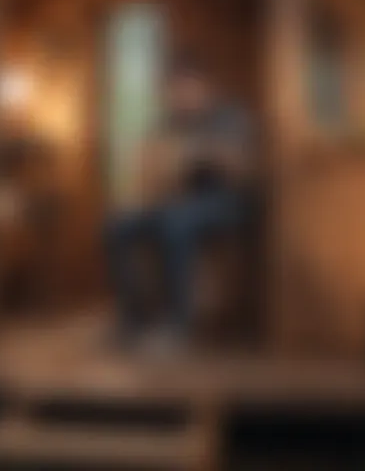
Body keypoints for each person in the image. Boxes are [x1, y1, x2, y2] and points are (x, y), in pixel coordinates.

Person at [104, 52, 256, 349]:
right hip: (180, 203)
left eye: (186, 87)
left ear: (204, 86)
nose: (180, 95)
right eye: (174, 89)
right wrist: (160, 163)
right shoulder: (170, 122)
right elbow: (153, 163)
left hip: (230, 202)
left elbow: (242, 167)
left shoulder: (230, 116)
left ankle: (178, 326)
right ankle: (132, 321)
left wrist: (200, 153)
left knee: (176, 221)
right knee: (118, 225)